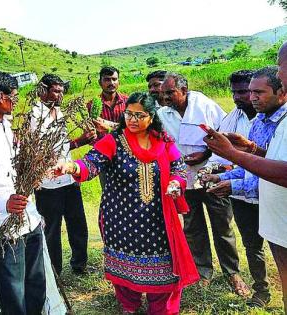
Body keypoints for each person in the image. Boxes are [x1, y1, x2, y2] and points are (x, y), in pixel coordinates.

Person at [53, 92, 199, 314]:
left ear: (151, 116)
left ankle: (159, 307)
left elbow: (178, 167)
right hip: (121, 220)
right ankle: (128, 304)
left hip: (157, 220)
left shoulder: (164, 140)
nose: (132, 119)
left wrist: (176, 183)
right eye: (129, 114)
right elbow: (91, 163)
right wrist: (72, 167)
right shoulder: (114, 141)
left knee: (163, 267)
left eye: (139, 115)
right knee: (123, 266)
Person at [0, 70, 65, 315]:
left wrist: (33, 208)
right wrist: (2, 203)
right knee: (13, 293)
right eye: (14, 96)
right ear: (1, 97)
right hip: (1, 227)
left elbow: (18, 174)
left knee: (37, 285)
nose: (17, 101)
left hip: (29, 221)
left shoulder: (8, 128)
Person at [202, 41, 287, 313]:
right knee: (256, 248)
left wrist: (234, 157)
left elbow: (280, 171)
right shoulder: (258, 122)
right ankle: (264, 291)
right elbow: (264, 159)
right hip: (267, 211)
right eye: (248, 92)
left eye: (258, 92)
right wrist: (245, 151)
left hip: (277, 209)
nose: (251, 97)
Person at [158, 72, 248, 295]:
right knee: (192, 227)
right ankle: (202, 272)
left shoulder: (205, 105)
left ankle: (232, 273)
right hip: (184, 180)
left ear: (184, 90)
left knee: (222, 224)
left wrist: (205, 154)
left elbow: (226, 136)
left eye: (170, 93)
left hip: (212, 176)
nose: (166, 97)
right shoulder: (162, 114)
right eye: (163, 93)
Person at [31, 74, 89, 275]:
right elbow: (44, 151)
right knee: (52, 229)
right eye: (56, 91)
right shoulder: (34, 116)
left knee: (77, 223)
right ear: (42, 90)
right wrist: (80, 141)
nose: (60, 96)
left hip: (68, 178)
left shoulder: (60, 112)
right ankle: (55, 271)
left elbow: (63, 148)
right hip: (48, 183)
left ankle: (79, 264)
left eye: (62, 91)